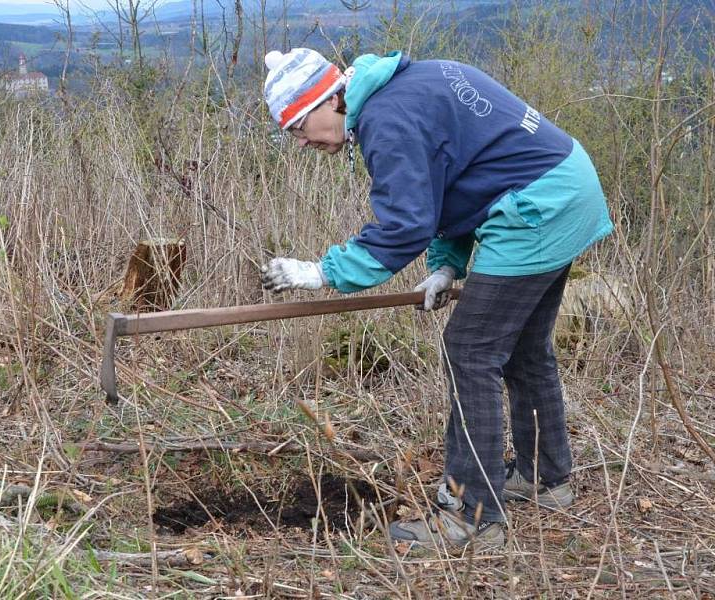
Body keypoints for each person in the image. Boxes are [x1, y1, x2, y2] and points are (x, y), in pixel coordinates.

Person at [260, 48, 613, 550]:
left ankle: (472, 517)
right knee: (524, 348)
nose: (300, 141)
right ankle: (545, 478)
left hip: (537, 209)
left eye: (297, 125)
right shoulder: (409, 85)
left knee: (469, 350)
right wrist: (447, 263)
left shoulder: (386, 119)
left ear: (326, 100)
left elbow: (405, 226)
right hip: (565, 187)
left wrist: (323, 272)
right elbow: (461, 177)